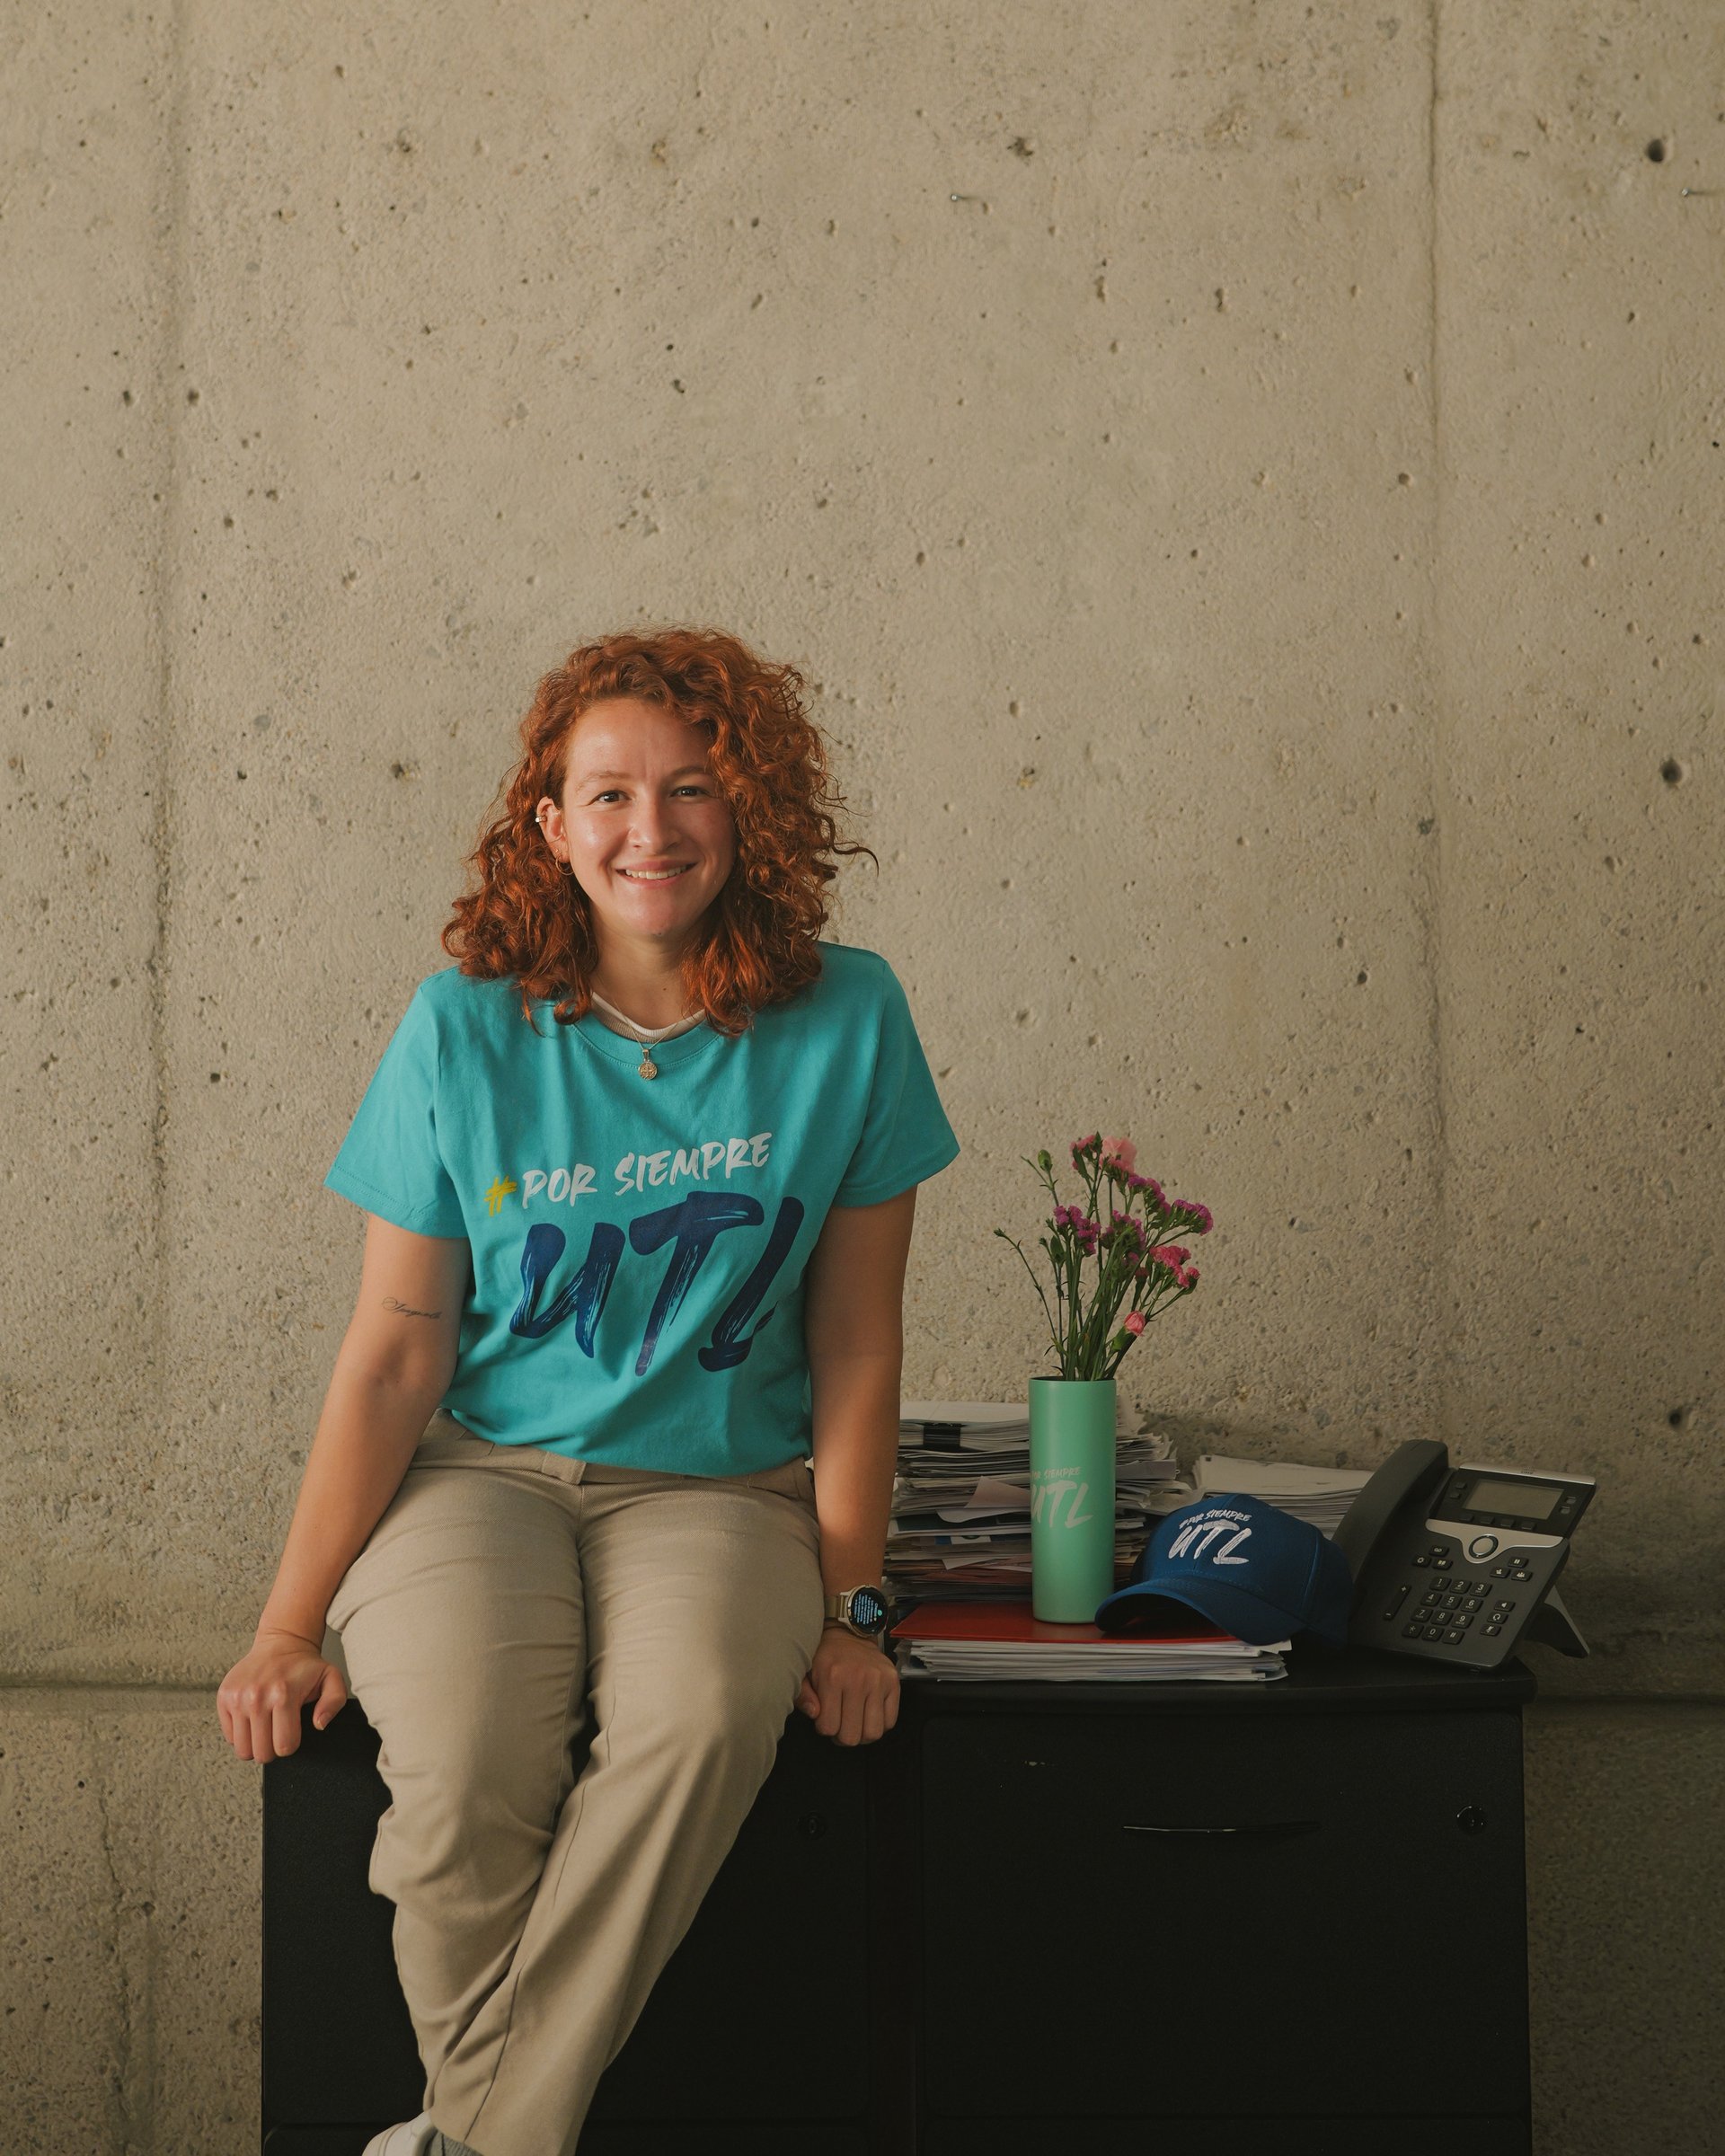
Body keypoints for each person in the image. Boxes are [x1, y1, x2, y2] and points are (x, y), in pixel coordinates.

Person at [216, 626, 961, 2156]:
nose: (650, 829)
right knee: (461, 1773)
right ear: (550, 825)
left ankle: (465, 2139)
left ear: (750, 807)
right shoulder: (462, 1027)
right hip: (482, 1477)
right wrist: (289, 1625)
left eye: (692, 787)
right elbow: (397, 1351)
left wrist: (853, 1604)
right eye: (608, 794)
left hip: (722, 1489)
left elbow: (856, 1345)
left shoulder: (852, 1018)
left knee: (697, 1725)